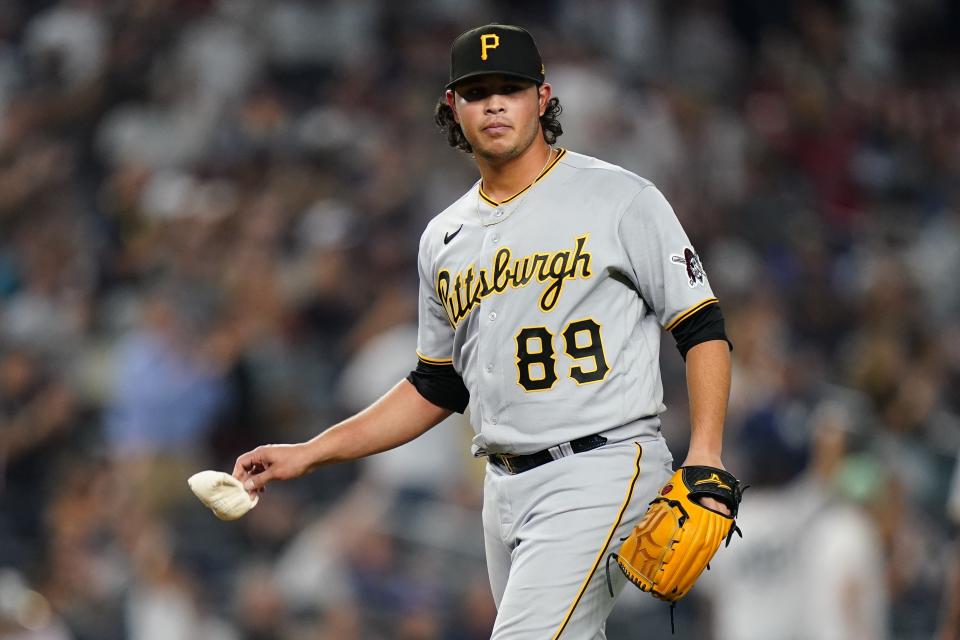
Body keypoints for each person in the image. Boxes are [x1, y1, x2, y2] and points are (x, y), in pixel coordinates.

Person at [233, 23, 733, 639]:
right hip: (502, 491)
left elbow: (700, 323)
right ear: (453, 107)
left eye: (511, 88)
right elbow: (436, 386)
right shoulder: (444, 238)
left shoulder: (620, 198)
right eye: (476, 91)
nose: (494, 103)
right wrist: (311, 453)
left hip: (603, 465)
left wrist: (705, 453)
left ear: (542, 99)